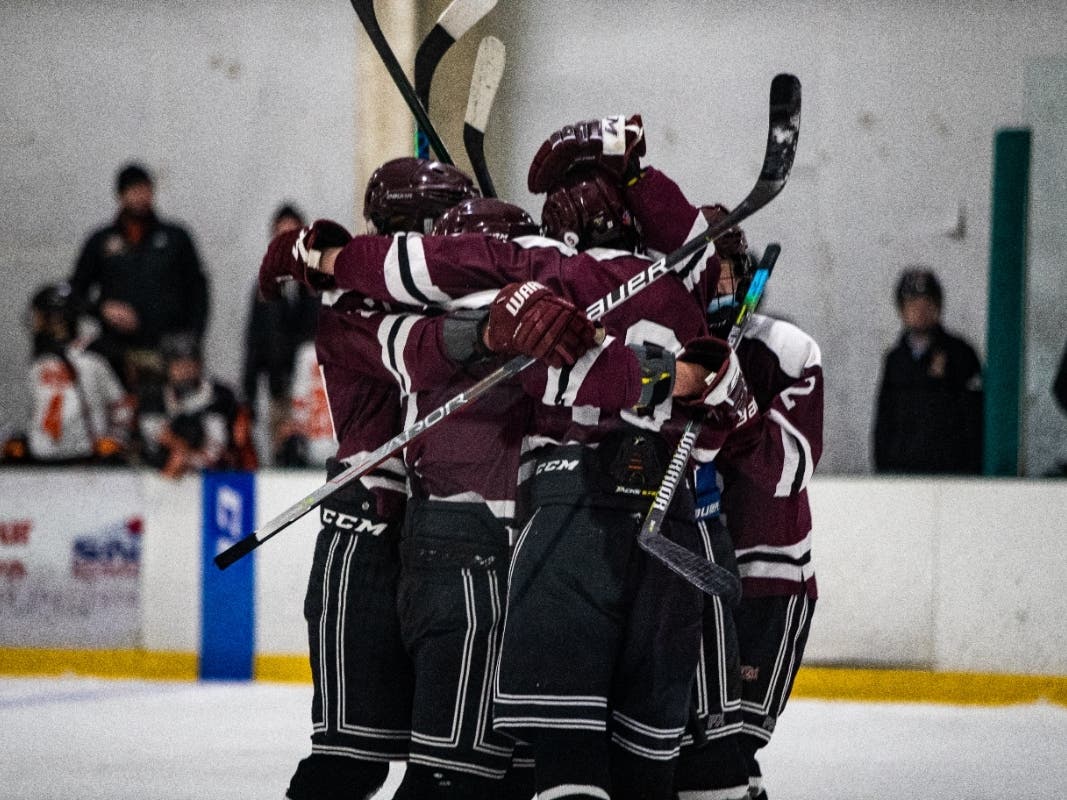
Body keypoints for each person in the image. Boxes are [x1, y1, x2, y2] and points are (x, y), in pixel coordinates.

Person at [260, 157, 737, 798]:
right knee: (377, 765)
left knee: (488, 771)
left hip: (478, 542)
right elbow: (417, 346)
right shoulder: (358, 307)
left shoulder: (502, 288)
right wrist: (493, 326)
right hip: (391, 543)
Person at [280, 157, 483, 800]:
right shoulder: (351, 305)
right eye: (442, 232)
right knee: (351, 762)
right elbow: (426, 346)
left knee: (450, 765)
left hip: (440, 541)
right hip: (364, 536)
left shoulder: (449, 292)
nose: (452, 246)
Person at [69, 162, 209, 393]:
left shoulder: (175, 238)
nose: (141, 197)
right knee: (122, 416)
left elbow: (198, 290)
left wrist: (192, 339)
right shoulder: (101, 242)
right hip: (117, 353)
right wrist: (102, 309)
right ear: (121, 196)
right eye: (134, 191)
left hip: (167, 352)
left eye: (145, 190)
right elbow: (75, 292)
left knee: (168, 419)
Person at [2, 282, 132, 465]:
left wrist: (116, 440)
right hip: (43, 454)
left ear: (57, 319)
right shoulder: (40, 360)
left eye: (39, 316)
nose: (35, 322)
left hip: (85, 456)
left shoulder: (94, 356)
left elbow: (121, 405)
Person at [873, 267, 983, 474]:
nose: (920, 311)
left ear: (938, 307)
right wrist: (884, 471)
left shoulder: (961, 353)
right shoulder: (895, 360)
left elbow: (974, 419)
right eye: (913, 304)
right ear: (901, 310)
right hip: (902, 473)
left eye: (927, 303)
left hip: (952, 475)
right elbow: (884, 421)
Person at [242, 204, 323, 466]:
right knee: (281, 453)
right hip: (278, 385)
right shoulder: (265, 286)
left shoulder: (318, 283)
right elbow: (255, 340)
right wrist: (249, 394)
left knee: (315, 452)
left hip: (313, 388)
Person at [137, 333, 246, 478]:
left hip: (214, 464)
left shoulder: (220, 395)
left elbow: (231, 433)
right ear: (167, 367)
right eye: (179, 365)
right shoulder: (153, 396)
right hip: (166, 464)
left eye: (190, 363)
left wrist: (201, 458)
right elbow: (153, 433)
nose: (186, 370)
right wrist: (182, 451)